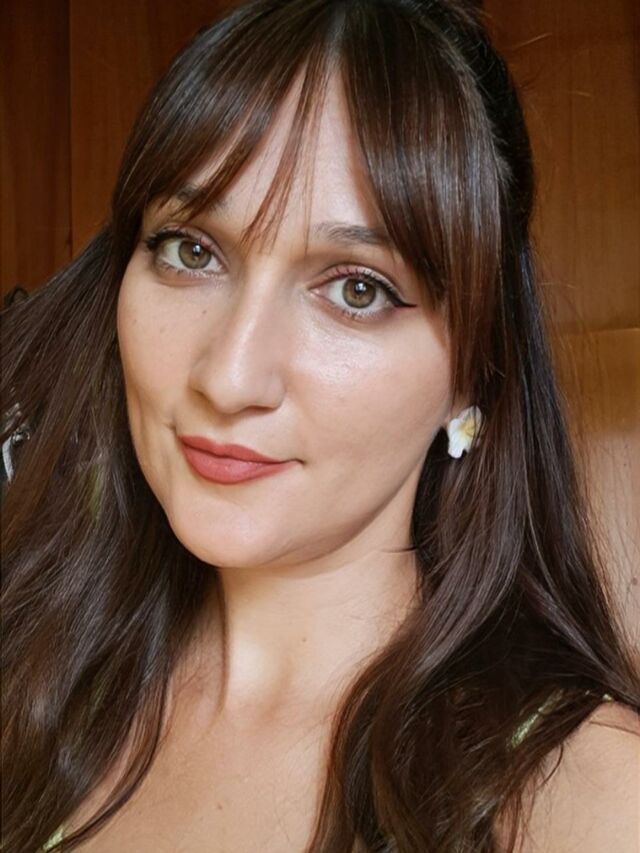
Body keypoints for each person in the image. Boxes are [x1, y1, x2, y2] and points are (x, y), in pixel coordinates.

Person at [2, 1, 638, 851]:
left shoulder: (587, 800)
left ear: (473, 368)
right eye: (192, 250)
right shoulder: (31, 689)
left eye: (356, 289)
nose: (230, 377)